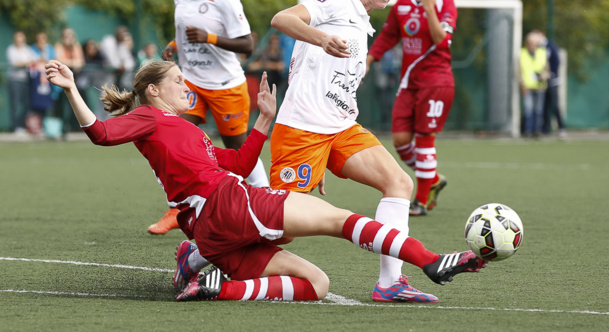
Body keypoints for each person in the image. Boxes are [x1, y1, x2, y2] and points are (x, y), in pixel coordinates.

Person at [44, 58, 487, 303]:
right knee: (340, 219)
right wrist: (71, 89)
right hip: (226, 207)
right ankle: (429, 260)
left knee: (318, 285)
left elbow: (236, 161)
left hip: (213, 230)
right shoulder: (149, 116)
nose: (186, 86)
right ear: (154, 89)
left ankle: (218, 286)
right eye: (178, 80)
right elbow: (101, 134)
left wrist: (264, 119)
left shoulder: (186, 130)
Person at [266, 0, 438, 303]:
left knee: (398, 182)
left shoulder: (362, 21)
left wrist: (327, 153)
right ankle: (202, 254)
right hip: (300, 131)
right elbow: (282, 19)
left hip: (340, 130)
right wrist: (322, 38)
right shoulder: (336, 0)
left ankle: (390, 282)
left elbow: (330, 83)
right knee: (277, 230)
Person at [155, 0, 269, 235]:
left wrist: (210, 38)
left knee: (238, 151)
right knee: (173, 141)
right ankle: (178, 210)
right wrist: (173, 46)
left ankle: (267, 198)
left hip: (225, 86)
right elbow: (182, 30)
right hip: (191, 81)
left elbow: (246, 44)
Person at [367, 0, 456, 218]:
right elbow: (389, 35)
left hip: (437, 81)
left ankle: (420, 200)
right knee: (401, 141)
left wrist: (429, 8)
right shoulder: (402, 3)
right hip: (409, 82)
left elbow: (442, 40)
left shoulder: (446, 3)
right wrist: (369, 59)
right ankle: (433, 179)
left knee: (425, 142)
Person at [518, 31, 549, 137]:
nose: (532, 45)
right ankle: (527, 130)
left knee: (538, 110)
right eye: (530, 43)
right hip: (528, 87)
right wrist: (522, 84)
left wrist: (544, 75)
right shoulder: (522, 53)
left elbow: (547, 70)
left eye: (534, 43)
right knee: (528, 109)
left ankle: (537, 130)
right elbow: (519, 71)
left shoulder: (542, 53)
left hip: (540, 87)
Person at [6, 31, 37, 135]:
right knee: (15, 105)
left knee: (26, 104)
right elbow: (15, 63)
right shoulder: (11, 49)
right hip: (14, 81)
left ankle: (22, 125)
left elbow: (35, 60)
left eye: (21, 38)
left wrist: (28, 62)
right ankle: (15, 127)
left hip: (25, 81)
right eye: (17, 38)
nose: (19, 40)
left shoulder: (27, 49)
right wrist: (27, 62)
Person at [538, 31, 566, 137]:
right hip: (542, 82)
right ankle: (546, 129)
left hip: (552, 81)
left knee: (554, 105)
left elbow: (557, 61)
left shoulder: (550, 46)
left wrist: (551, 74)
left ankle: (561, 127)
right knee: (544, 105)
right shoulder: (538, 48)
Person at [101, 26, 136, 92]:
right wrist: (120, 66)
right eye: (121, 33)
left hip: (114, 74)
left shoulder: (122, 45)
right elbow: (111, 60)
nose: (123, 35)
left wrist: (124, 66)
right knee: (103, 93)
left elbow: (130, 62)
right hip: (102, 72)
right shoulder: (108, 41)